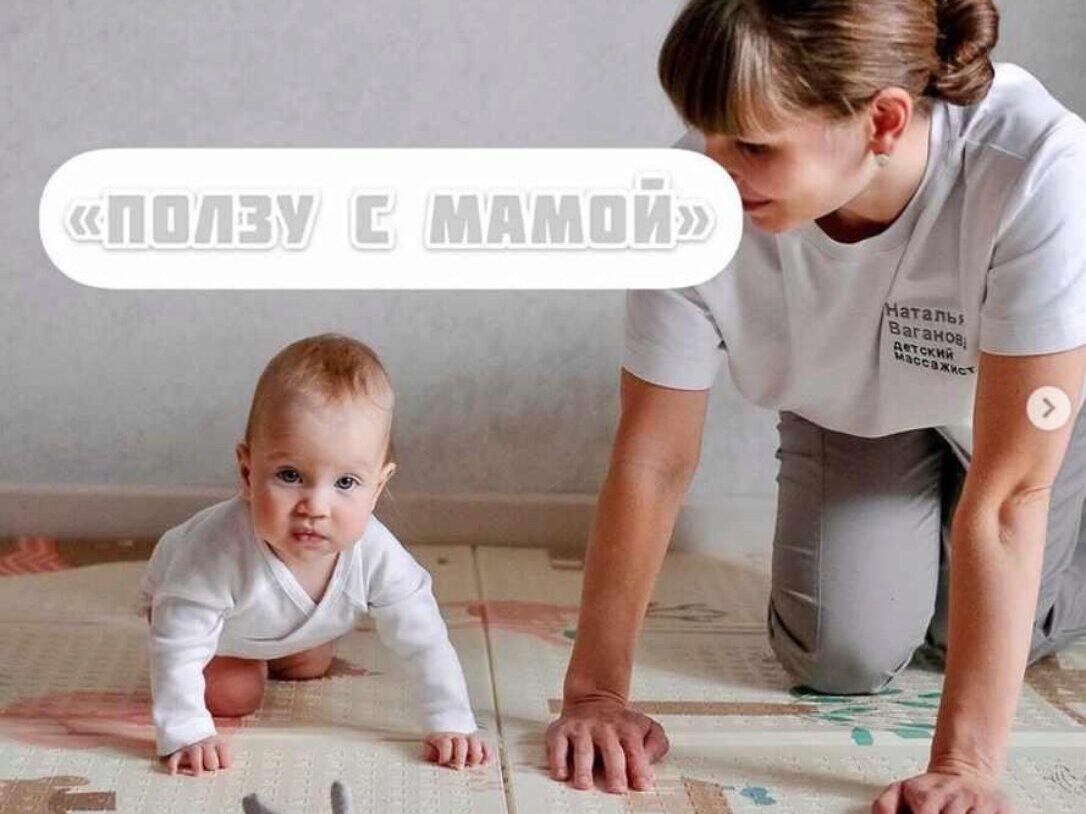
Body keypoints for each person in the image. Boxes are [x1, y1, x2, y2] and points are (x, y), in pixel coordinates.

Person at [546, 1, 1086, 812]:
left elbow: (1011, 498)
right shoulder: (690, 201)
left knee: (1004, 624)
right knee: (837, 652)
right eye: (705, 133)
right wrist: (595, 692)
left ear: (883, 122)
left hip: (1020, 410)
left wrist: (965, 764)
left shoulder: (1036, 163)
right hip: (856, 401)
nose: (712, 171)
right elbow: (654, 457)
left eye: (753, 147)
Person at [139, 333, 491, 776]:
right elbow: (179, 643)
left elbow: (425, 639)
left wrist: (451, 720)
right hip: (204, 619)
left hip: (286, 624)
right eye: (290, 475)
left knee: (309, 665)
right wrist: (186, 731)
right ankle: (252, 657)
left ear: (378, 487)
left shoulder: (376, 552)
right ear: (248, 472)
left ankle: (286, 645)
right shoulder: (215, 552)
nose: (316, 507)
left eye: (345, 483)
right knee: (235, 694)